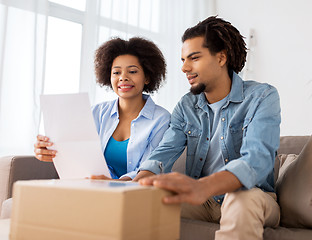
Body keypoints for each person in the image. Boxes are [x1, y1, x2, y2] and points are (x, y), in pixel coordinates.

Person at [134, 16, 281, 240]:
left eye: (194, 58)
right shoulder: (186, 105)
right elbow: (163, 153)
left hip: (254, 196)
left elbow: (257, 160)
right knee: (146, 204)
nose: (184, 68)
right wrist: (135, 186)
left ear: (221, 57)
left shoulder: (262, 96)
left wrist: (203, 186)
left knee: (241, 199)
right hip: (203, 202)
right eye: (183, 59)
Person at [34, 37, 170, 180]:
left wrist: (114, 184)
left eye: (132, 71)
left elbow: (150, 168)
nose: (123, 77)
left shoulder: (161, 119)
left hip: (135, 193)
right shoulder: (96, 113)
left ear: (147, 77)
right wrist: (49, 149)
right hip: (91, 189)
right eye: (116, 72)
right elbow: (75, 152)